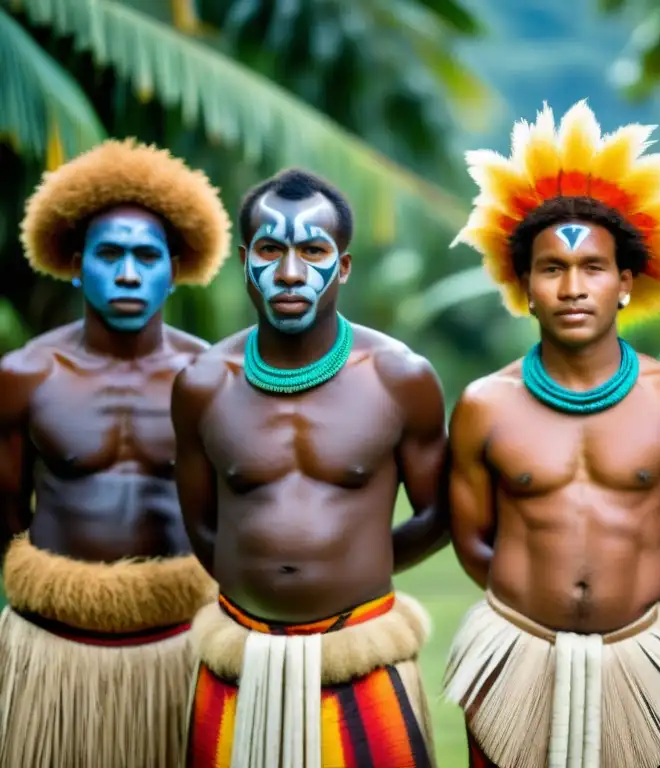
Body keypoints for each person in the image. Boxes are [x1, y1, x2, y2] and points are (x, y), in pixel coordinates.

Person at [443, 99, 660, 768]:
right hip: (514, 654)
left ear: (625, 283)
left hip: (637, 659)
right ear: (526, 287)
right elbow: (471, 540)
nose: (574, 288)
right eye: (553, 269)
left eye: (593, 268)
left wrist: (629, 613)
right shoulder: (486, 404)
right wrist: (533, 611)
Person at [173, 167, 446, 767]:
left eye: (314, 251)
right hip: (240, 654)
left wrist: (354, 565)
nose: (291, 273)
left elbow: (440, 513)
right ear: (244, 260)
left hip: (361, 654)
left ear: (342, 266)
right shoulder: (203, 384)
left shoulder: (399, 377)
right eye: (271, 250)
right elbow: (199, 521)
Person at [0, 138, 231, 768]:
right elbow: (5, 513)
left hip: (183, 648)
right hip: (52, 651)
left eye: (146, 256)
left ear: (173, 267)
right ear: (76, 264)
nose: (128, 273)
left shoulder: (212, 376)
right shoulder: (24, 375)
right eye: (109, 255)